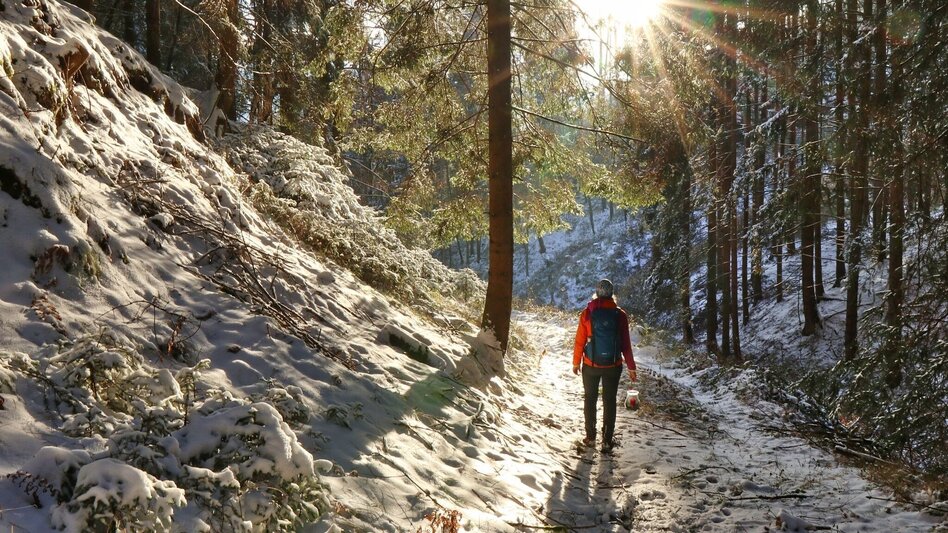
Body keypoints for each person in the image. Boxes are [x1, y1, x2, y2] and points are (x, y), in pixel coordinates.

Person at [572, 279, 637, 452]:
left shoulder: (587, 313)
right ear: (612, 294)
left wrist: (576, 362)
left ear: (596, 293)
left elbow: (579, 341)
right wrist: (631, 367)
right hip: (613, 366)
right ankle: (607, 441)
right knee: (609, 401)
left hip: (590, 365)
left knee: (590, 399)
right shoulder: (620, 315)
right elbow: (626, 344)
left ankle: (590, 437)